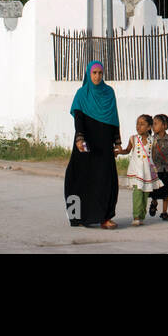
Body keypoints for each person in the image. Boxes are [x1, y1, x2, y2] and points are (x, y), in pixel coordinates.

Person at [63, 60, 120, 229]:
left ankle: (105, 217)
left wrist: (117, 142)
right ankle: (77, 217)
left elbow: (114, 119)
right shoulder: (82, 94)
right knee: (79, 179)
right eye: (94, 73)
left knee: (106, 180)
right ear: (88, 74)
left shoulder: (109, 92)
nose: (97, 76)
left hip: (104, 144)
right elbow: (78, 119)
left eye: (100, 73)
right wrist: (80, 139)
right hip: (86, 144)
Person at [116, 114, 158, 226]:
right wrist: (119, 152)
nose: (138, 127)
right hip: (136, 170)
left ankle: (142, 215)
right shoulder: (133, 139)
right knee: (137, 193)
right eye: (137, 124)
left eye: (142, 124)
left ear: (149, 127)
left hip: (147, 172)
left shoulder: (153, 140)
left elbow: (152, 157)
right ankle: (136, 216)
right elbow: (127, 150)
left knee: (145, 193)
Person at [149, 114, 168, 221]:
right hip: (155, 170)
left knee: (166, 193)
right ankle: (154, 202)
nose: (153, 126)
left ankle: (164, 212)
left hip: (166, 169)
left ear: (164, 126)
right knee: (155, 191)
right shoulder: (151, 139)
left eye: (156, 124)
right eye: (152, 124)